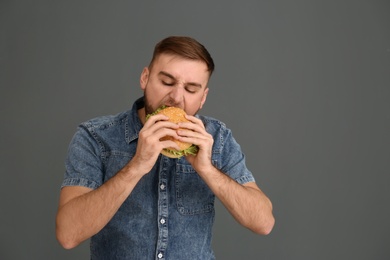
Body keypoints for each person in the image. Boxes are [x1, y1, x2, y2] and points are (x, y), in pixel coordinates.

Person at [56, 36, 275, 259]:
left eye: (191, 89)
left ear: (203, 98)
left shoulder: (217, 138)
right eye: (167, 82)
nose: (176, 98)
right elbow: (68, 234)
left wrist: (208, 170)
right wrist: (137, 166)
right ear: (145, 78)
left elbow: (263, 222)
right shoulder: (96, 137)